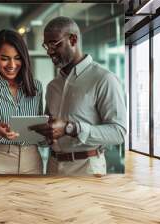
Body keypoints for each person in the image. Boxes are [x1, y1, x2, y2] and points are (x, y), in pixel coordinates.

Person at [30, 16, 126, 176]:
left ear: (73, 40)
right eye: (46, 45)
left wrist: (71, 128)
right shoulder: (53, 86)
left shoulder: (104, 78)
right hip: (53, 166)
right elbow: (52, 127)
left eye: (53, 44)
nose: (49, 51)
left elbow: (118, 132)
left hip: (86, 168)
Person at [0, 29, 44, 175]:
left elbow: (41, 135)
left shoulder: (36, 87)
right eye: (5, 58)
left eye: (17, 58)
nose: (12, 64)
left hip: (32, 161)